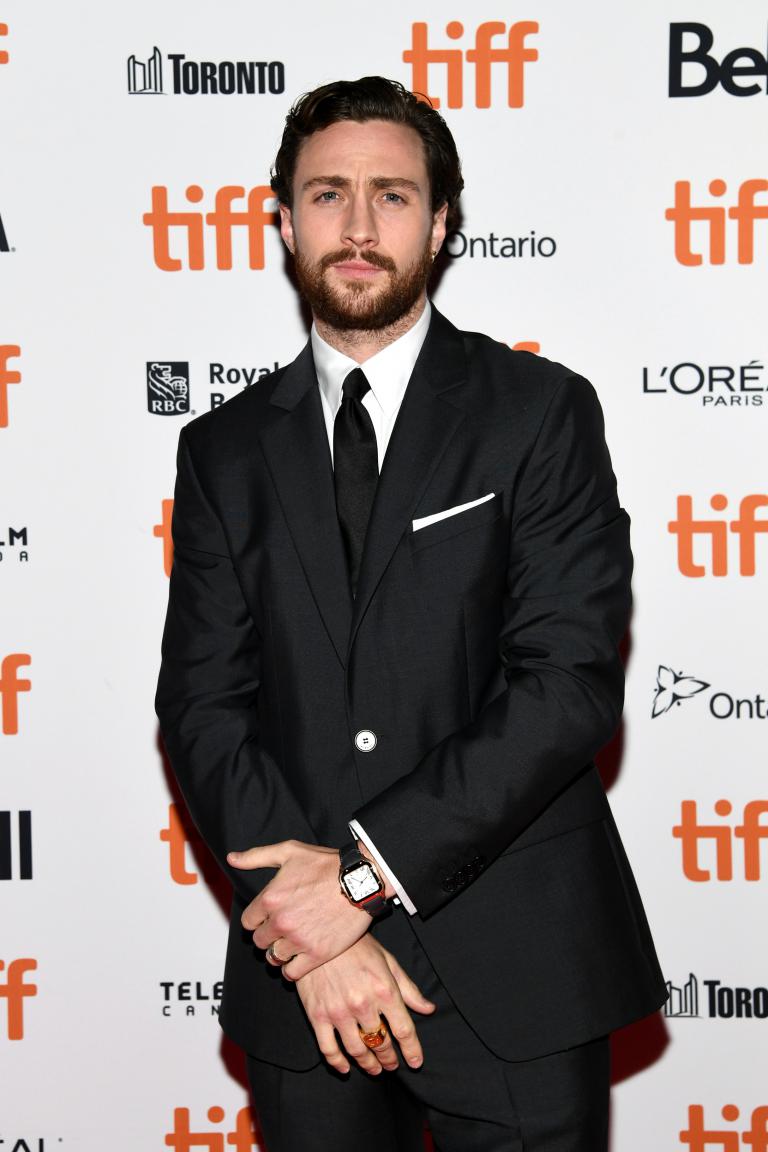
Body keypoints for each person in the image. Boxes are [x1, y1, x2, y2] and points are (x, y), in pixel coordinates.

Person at [155, 75, 666, 1152]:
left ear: (440, 224)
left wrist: (352, 879)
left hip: (517, 975)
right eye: (327, 193)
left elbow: (566, 682)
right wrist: (320, 936)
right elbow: (203, 706)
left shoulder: (539, 414)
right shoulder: (222, 452)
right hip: (310, 991)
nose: (356, 223)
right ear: (285, 222)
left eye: (391, 195)